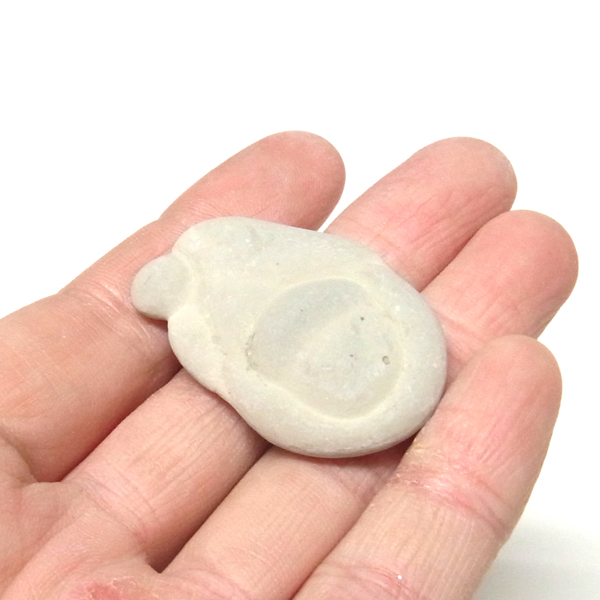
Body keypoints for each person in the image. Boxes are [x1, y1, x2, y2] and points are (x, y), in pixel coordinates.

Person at [0, 132, 577, 599]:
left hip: (325, 314)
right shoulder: (195, 320)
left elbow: (341, 272)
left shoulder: (219, 267)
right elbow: (241, 367)